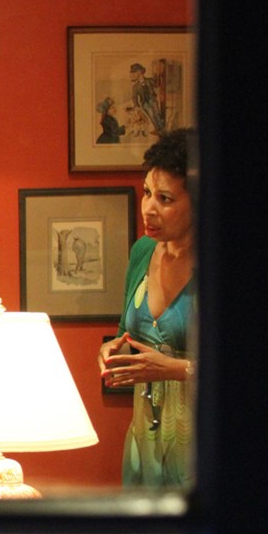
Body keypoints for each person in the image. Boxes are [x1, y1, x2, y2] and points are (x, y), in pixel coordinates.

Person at [98, 127, 196, 495]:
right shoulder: (142, 251)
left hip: (202, 446)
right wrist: (111, 350)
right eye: (147, 192)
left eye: (165, 198)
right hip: (145, 444)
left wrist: (176, 369)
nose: (148, 208)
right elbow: (127, 333)